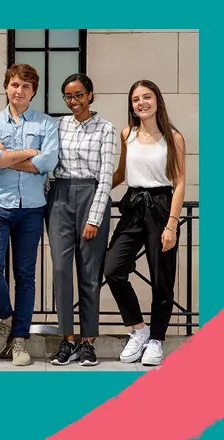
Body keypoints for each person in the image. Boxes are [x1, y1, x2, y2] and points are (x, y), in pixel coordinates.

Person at [0, 63, 59, 366]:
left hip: (31, 209)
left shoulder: (45, 124)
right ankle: (8, 318)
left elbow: (48, 162)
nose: (19, 91)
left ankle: (20, 341)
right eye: (14, 85)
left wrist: (8, 155)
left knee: (26, 276)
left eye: (26, 86)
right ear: (6, 87)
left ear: (33, 91)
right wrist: (29, 152)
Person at [104, 79, 186, 366]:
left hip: (162, 207)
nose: (141, 103)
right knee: (113, 268)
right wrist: (93, 188)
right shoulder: (127, 133)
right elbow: (121, 173)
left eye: (146, 97)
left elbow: (179, 182)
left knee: (161, 278)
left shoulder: (173, 136)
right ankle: (139, 329)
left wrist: (172, 224)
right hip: (133, 205)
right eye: (136, 99)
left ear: (157, 100)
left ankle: (157, 339)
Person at [48, 74, 117, 367]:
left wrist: (95, 216)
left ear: (90, 95)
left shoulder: (106, 129)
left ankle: (88, 341)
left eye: (78, 95)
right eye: (68, 96)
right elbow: (47, 164)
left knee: (89, 273)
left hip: (91, 194)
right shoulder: (58, 125)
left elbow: (106, 177)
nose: (73, 102)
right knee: (62, 270)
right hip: (60, 197)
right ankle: (67, 340)